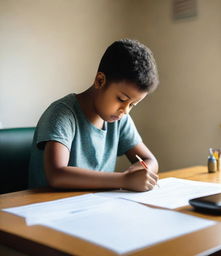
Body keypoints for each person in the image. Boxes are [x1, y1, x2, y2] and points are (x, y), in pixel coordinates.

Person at [29, 39, 159, 192]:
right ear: (100, 80)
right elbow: (56, 174)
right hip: (48, 207)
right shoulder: (62, 114)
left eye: (132, 105)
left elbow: (150, 160)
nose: (125, 110)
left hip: (93, 207)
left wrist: (141, 172)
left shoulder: (119, 119)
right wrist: (124, 180)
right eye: (122, 99)